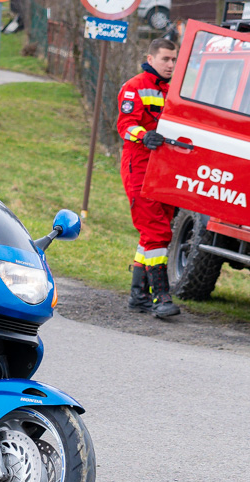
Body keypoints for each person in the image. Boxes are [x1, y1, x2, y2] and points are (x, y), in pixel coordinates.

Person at [116, 38, 180, 318]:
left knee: (154, 230)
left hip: (164, 167)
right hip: (139, 165)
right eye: (166, 59)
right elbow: (125, 125)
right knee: (157, 231)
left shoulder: (174, 89)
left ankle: (138, 296)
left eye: (174, 60)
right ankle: (160, 296)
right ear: (150, 58)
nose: (170, 64)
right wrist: (145, 135)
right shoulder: (134, 86)